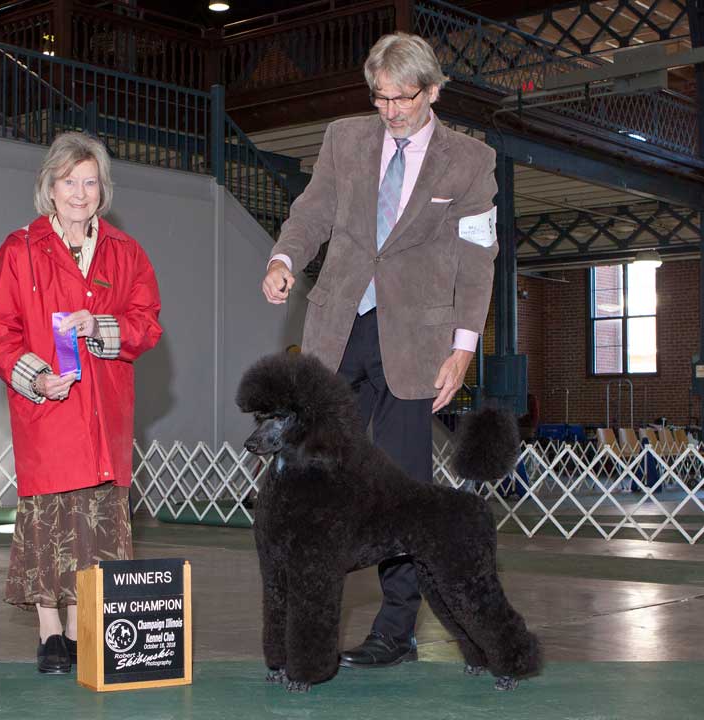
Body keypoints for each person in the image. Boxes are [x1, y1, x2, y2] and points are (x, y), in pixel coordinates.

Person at [261, 32, 498, 668]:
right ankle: (303, 629)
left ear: (434, 90)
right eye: (380, 97)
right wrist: (285, 257)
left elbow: (478, 259)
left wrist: (463, 348)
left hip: (414, 341)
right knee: (311, 483)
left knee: (404, 491)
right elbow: (312, 211)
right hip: (337, 327)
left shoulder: (471, 160)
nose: (389, 109)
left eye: (403, 97)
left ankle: (396, 631)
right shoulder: (345, 138)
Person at [0, 131, 162, 674]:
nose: (80, 193)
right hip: (48, 411)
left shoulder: (126, 253)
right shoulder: (19, 250)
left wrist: (102, 327)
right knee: (49, 521)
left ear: (102, 190)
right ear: (50, 187)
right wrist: (36, 377)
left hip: (105, 409)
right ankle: (49, 633)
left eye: (90, 182)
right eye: (69, 182)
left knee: (97, 527)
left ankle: (89, 628)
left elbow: (147, 324)